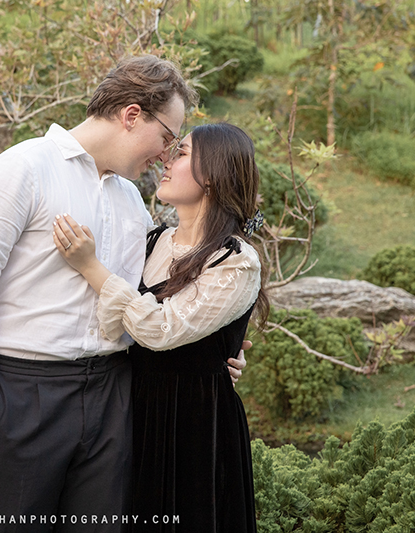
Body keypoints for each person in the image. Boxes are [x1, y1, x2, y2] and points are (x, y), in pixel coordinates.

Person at [0, 56, 248, 531]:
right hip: (24, 394)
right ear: (132, 115)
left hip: (115, 397)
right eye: (167, 137)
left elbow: (153, 301)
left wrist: (210, 355)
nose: (165, 156)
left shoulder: (131, 200)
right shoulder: (21, 169)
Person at [53, 122, 267, 532]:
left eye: (181, 153)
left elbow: (159, 330)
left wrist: (90, 266)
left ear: (214, 175)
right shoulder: (153, 240)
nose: (166, 160)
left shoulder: (235, 260)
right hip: (132, 409)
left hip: (195, 422)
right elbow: (114, 325)